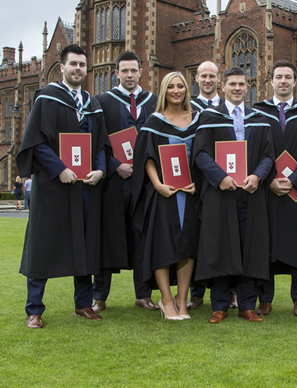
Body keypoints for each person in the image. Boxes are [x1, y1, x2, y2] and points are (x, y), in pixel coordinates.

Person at [17, 44, 110, 328]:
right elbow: (36, 142)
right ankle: (34, 309)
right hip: (54, 186)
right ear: (62, 67)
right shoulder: (47, 98)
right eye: (74, 64)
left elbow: (102, 145)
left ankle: (83, 303)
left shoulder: (92, 105)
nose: (78, 69)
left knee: (84, 243)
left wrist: (101, 170)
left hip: (84, 187)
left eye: (83, 65)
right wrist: (60, 169)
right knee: (44, 242)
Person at [193, 67, 274, 323]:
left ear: (247, 87)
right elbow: (200, 154)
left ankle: (247, 305)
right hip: (221, 192)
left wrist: (258, 176)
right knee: (220, 246)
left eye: (241, 84)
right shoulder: (209, 117)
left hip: (250, 193)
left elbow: (268, 155)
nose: (237, 88)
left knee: (249, 246)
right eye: (232, 84)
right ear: (223, 86)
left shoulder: (259, 119)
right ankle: (219, 305)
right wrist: (221, 177)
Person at [93, 51, 159, 313]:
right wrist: (114, 166)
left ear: (141, 72)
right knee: (107, 236)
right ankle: (100, 296)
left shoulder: (153, 102)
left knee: (143, 236)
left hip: (145, 182)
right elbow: (96, 141)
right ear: (116, 73)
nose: (129, 75)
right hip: (114, 182)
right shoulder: (103, 102)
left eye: (134, 70)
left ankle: (143, 294)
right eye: (124, 71)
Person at [252, 60, 297, 317]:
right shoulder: (258, 113)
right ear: (271, 81)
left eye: (287, 77)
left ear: (294, 81)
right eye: (278, 77)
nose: (283, 81)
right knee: (266, 242)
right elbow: (252, 151)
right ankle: (265, 298)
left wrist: (295, 179)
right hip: (267, 191)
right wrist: (268, 180)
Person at [133, 72, 200, 320]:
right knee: (163, 244)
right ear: (164, 91)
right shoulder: (154, 121)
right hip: (164, 193)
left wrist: (198, 184)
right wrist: (158, 184)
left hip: (189, 192)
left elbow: (203, 155)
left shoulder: (197, 119)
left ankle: (183, 300)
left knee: (188, 246)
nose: (175, 90)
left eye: (180, 86)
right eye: (170, 86)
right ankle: (166, 300)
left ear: (186, 89)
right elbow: (147, 158)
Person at [186, 60, 231, 310]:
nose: (207, 80)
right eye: (203, 76)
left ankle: (228, 290)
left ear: (218, 80)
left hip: (221, 178)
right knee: (197, 236)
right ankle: (197, 291)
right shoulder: (187, 107)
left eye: (212, 76)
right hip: (192, 178)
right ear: (196, 79)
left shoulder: (227, 109)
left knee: (223, 235)